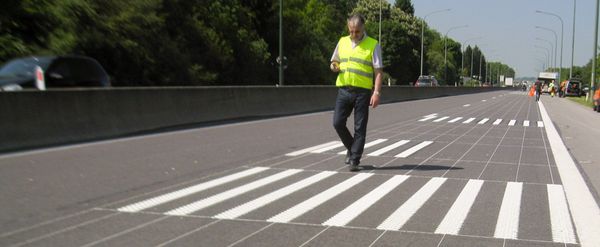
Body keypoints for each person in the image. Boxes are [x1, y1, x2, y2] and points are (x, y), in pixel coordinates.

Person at [330, 13, 383, 172]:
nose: (353, 34)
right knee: (337, 122)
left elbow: (379, 71)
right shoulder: (342, 41)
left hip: (362, 92)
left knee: (360, 127)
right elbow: (334, 61)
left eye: (357, 31)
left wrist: (377, 93)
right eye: (351, 31)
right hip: (344, 89)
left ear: (363, 28)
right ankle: (352, 147)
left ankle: (355, 159)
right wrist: (334, 66)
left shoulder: (373, 44)